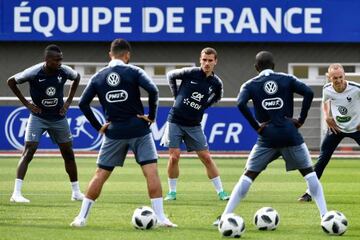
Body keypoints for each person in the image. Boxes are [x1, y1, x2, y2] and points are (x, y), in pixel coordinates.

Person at [70, 38, 177, 228]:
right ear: (127, 55)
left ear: (110, 54)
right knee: (151, 173)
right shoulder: (134, 71)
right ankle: (161, 219)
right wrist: (151, 116)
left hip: (114, 132)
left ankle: (81, 218)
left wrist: (98, 126)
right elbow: (153, 91)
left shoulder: (98, 77)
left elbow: (82, 104)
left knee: (100, 174)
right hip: (139, 129)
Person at [213, 51, 328, 226]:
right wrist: (301, 119)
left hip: (267, 137)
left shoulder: (250, 84)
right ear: (274, 66)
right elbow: (309, 93)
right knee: (310, 175)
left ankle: (225, 216)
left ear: (256, 67)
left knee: (248, 176)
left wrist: (257, 127)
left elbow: (240, 103)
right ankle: (325, 216)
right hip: (290, 134)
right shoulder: (287, 79)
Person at [7, 44, 84, 203]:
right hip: (38, 117)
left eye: (61, 59)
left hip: (58, 118)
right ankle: (16, 194)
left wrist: (68, 102)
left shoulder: (64, 71)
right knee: (29, 151)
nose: (60, 62)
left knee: (68, 153)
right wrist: (27, 104)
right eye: (57, 60)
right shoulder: (33, 72)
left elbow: (77, 78)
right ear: (48, 60)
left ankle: (76, 193)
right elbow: (11, 82)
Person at [160, 47, 230, 201]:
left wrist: (205, 105)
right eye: (204, 60)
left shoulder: (216, 82)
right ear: (200, 60)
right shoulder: (190, 72)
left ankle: (221, 192)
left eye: (210, 61)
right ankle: (172, 192)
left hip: (194, 124)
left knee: (205, 157)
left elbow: (218, 96)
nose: (206, 63)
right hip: (176, 120)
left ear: (215, 62)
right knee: (174, 157)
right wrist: (176, 95)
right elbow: (170, 75)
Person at [298, 63, 360, 202]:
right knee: (322, 160)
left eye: (340, 77)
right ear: (329, 77)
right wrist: (327, 116)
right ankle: (309, 192)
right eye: (334, 78)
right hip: (336, 128)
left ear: (344, 75)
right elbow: (325, 102)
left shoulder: (356, 89)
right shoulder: (327, 89)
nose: (338, 80)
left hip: (357, 128)